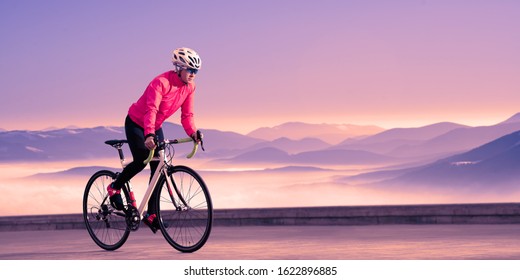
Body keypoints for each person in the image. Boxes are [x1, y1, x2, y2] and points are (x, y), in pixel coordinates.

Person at [107, 47, 203, 233]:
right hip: (137, 122)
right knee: (142, 160)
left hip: (155, 125)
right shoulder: (160, 83)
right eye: (190, 70)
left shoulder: (190, 87)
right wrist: (148, 134)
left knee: (158, 168)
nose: (193, 74)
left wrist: (193, 133)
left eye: (195, 71)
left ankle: (151, 215)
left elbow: (187, 115)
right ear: (179, 68)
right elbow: (151, 110)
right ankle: (115, 187)